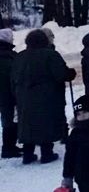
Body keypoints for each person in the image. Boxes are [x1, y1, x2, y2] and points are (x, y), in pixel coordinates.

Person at [11, 29, 71, 164]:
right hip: (47, 96)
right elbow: (60, 74)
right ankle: (47, 153)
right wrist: (70, 74)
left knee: (27, 123)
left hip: (24, 96)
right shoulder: (50, 55)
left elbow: (13, 77)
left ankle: (27, 154)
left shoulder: (20, 56)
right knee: (46, 122)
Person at [0, 28, 21, 158]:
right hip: (9, 93)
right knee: (10, 120)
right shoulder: (8, 57)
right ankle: (8, 148)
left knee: (8, 119)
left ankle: (10, 146)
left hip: (3, 94)